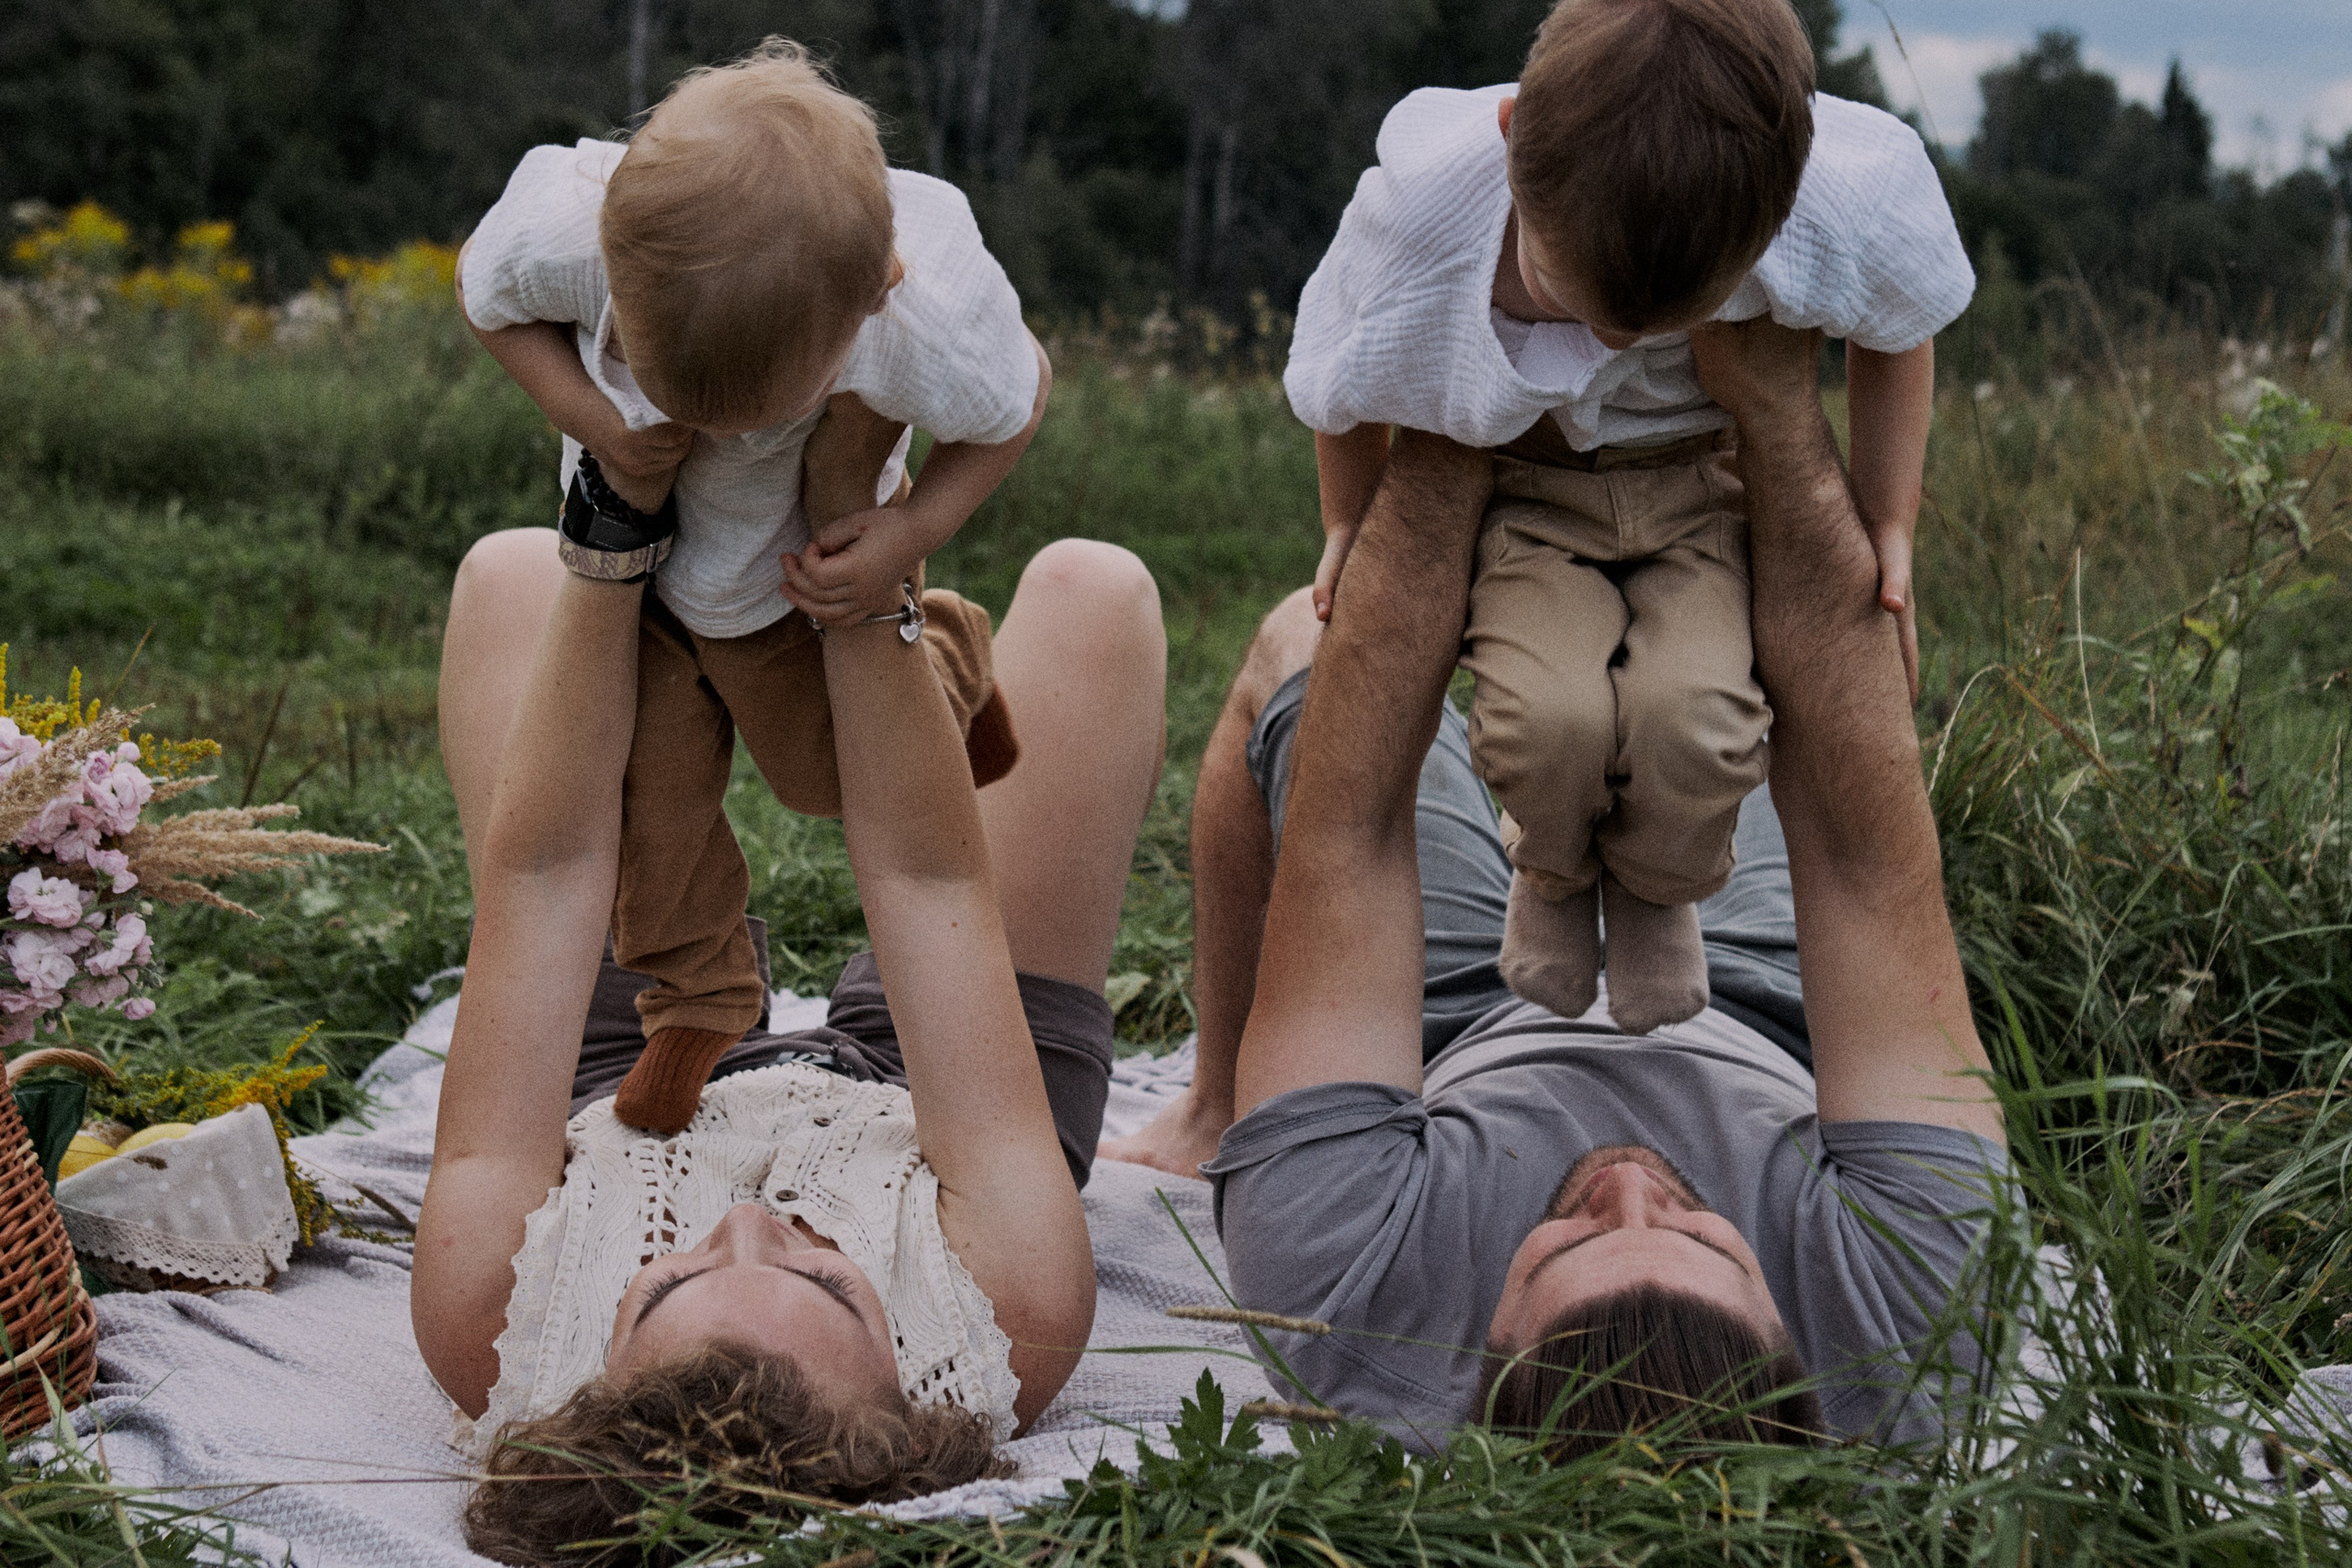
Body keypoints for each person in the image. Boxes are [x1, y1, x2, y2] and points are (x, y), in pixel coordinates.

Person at [1109, 317, 2005, 1455]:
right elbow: (1863, 864)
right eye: (1699, 1233)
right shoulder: (1920, 1324)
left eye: (1571, 1240)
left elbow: (1351, 837)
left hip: (1454, 1038)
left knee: (1305, 640)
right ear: (1793, 1334)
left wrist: (1468, 373)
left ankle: (1218, 1106)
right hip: (1766, 1020)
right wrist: (1775, 414)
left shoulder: (1345, 1303)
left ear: (1479, 1353)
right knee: (1763, 712)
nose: (1628, 1185)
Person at [413, 527, 1165, 1562]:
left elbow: (543, 873)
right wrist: (867, 589)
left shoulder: (492, 1323)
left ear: (590, 1387)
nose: (747, 1222)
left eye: (666, 1282)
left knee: (512, 577)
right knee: (1095, 592)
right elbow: (925, 877)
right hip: (928, 1123)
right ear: (912, 1405)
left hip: (621, 1099)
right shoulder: (1008, 1311)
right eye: (824, 1282)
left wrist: (615, 545)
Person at [1283, 0, 1971, 1032]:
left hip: (1701, 486)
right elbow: (1347, 358)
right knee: (1544, 720)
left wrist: (1891, 521)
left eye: (1670, 316)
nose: (1615, 339)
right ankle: (1554, 874)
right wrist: (1346, 519)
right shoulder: (1434, 202)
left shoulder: (1829, 192)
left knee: (1698, 724)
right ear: (1512, 137)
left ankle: (1657, 888)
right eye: (1574, 297)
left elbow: (1903, 321)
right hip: (1533, 492)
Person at [457, 39, 1050, 1134]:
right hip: (641, 573)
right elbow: (485, 302)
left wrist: (910, 531)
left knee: (829, 779)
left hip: (795, 586)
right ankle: (699, 997)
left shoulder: (922, 314)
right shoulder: (572, 229)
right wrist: (592, 419)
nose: (714, 430)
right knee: (647, 806)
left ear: (874, 300)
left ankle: (948, 653)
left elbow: (1020, 400)